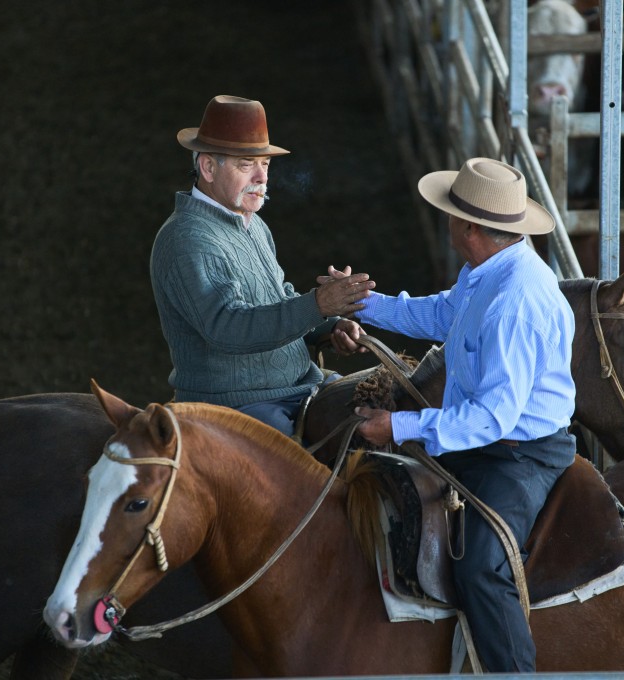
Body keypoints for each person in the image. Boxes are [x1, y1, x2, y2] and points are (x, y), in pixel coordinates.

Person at [348, 157, 576, 673]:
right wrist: (362, 304)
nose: (446, 219)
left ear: (469, 227)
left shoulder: (513, 301)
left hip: (518, 457)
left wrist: (398, 426)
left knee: (479, 568)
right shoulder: (489, 272)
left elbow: (493, 417)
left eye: (450, 211)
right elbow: (441, 313)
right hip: (491, 440)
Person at [150, 95, 374, 437]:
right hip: (234, 404)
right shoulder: (186, 239)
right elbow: (227, 329)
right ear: (208, 167)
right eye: (246, 164)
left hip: (297, 388)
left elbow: (277, 299)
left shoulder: (252, 223)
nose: (261, 177)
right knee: (300, 479)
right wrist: (317, 305)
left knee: (379, 416)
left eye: (265, 164)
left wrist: (328, 326)